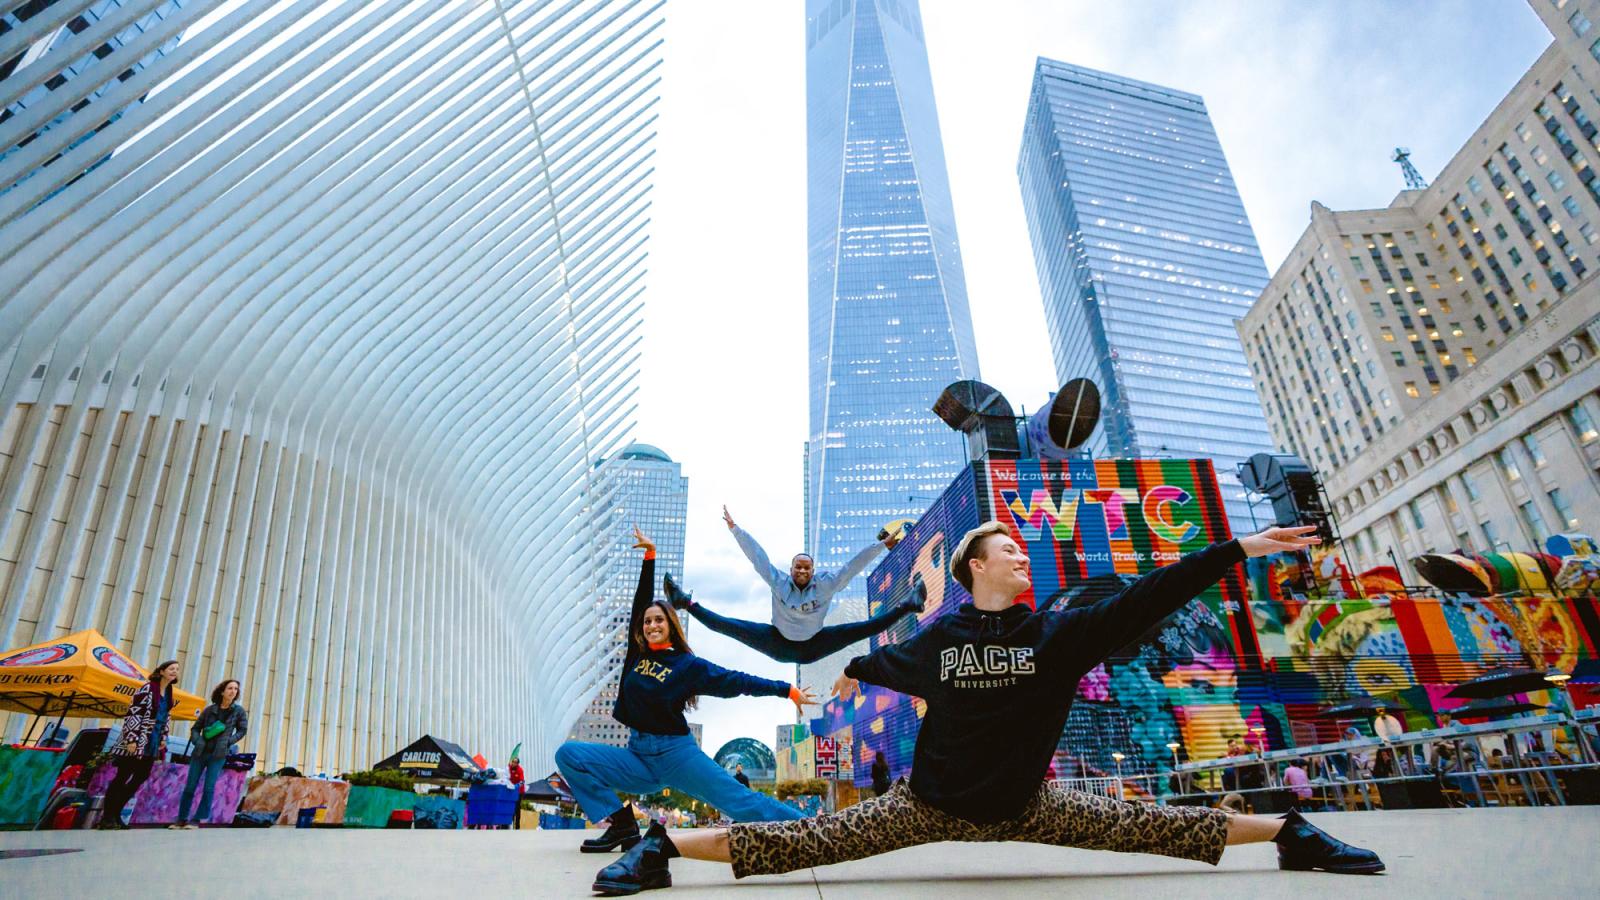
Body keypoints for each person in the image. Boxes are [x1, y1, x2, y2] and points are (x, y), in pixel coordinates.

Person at [589, 523, 1384, 894]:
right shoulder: (940, 642)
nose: (1020, 554)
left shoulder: (1060, 635)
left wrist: (1238, 550)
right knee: (804, 843)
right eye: (1008, 547)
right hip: (926, 809)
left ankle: (1291, 832)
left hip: (1026, 807)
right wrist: (839, 674)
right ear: (976, 565)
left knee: (1155, 828)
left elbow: (1152, 592)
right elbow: (862, 655)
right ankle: (663, 847)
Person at [555, 527, 814, 855]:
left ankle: (817, 831)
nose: (651, 625)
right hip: (637, 755)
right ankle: (623, 825)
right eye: (647, 622)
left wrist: (786, 690)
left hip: (676, 755)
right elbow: (639, 606)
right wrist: (650, 558)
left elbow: (737, 680)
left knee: (742, 802)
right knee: (569, 755)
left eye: (658, 621)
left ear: (671, 626)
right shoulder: (637, 656)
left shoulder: (687, 666)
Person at [660, 506, 919, 665]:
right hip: (778, 643)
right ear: (792, 569)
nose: (803, 571)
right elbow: (758, 557)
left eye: (807, 567)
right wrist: (735, 529)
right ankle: (684, 602)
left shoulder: (827, 584)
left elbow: (852, 566)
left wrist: (881, 546)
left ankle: (909, 605)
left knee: (863, 628)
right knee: (728, 625)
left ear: (813, 571)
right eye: (798, 567)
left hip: (814, 645)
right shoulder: (779, 581)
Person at [99, 659, 181, 830]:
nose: (175, 671)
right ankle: (107, 817)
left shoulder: (170, 693)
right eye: (171, 668)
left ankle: (117, 813)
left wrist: (164, 737)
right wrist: (131, 739)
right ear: (162, 671)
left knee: (140, 777)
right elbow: (133, 713)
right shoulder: (148, 688)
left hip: (153, 740)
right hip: (137, 738)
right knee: (122, 776)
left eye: (177, 669)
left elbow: (166, 717)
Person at [173, 678, 248, 829]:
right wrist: (197, 741)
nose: (233, 691)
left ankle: (197, 819)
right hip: (200, 752)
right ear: (222, 691)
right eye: (230, 688)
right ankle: (181, 819)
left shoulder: (238, 711)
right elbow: (195, 728)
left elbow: (242, 730)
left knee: (209, 787)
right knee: (190, 786)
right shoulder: (209, 710)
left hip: (218, 754)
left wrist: (229, 741)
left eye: (235, 689)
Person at [508, 754, 526, 830]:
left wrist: (517, 786)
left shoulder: (520, 770)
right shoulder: (509, 768)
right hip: (511, 790)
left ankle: (517, 826)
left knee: (517, 808)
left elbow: (522, 782)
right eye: (513, 762)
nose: (514, 763)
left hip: (519, 791)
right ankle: (509, 824)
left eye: (515, 762)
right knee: (510, 807)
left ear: (518, 764)